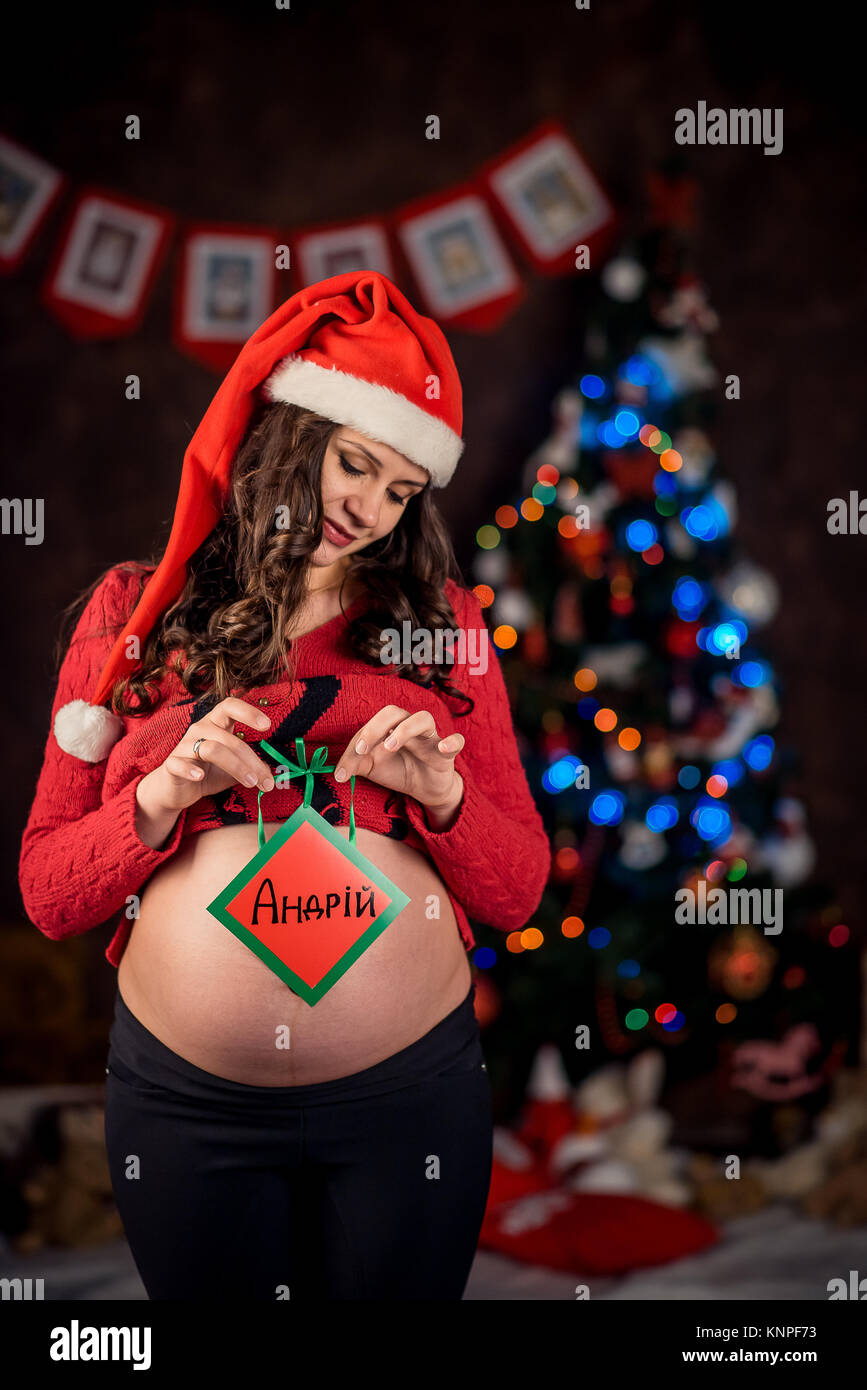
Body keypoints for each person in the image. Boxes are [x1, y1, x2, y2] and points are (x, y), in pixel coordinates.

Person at [18, 269, 552, 1301]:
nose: (371, 508)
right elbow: (49, 893)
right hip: (187, 1109)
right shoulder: (135, 617)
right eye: (356, 464)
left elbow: (518, 887)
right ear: (289, 434)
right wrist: (152, 804)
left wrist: (444, 801)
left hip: (408, 1101)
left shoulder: (442, 629)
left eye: (402, 489)